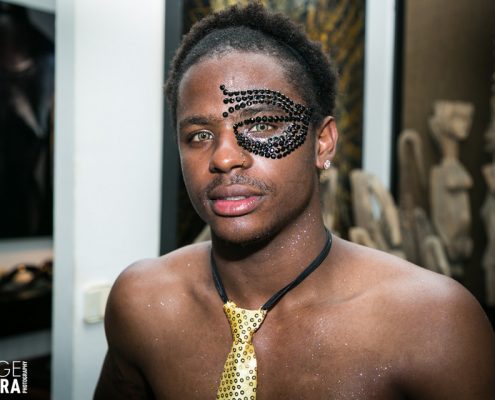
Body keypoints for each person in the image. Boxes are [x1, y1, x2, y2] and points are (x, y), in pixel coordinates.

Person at [94, 4, 495, 399]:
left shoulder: (430, 324)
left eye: (261, 124)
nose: (224, 157)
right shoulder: (143, 303)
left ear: (322, 143)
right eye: (200, 135)